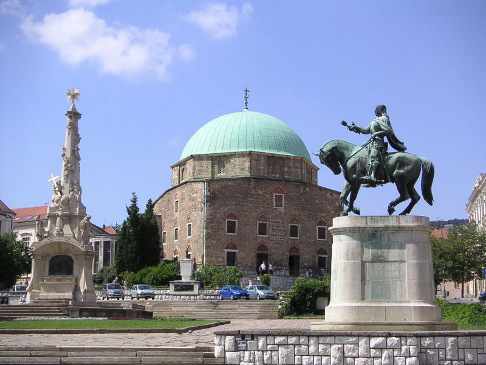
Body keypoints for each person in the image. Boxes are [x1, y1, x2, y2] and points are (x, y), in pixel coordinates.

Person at [344, 105, 406, 186]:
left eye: (377, 110)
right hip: (372, 143)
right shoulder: (375, 121)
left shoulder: (384, 119)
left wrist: (377, 133)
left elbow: (388, 130)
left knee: (373, 156)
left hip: (378, 143)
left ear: (380, 110)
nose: (375, 112)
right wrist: (355, 127)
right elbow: (366, 130)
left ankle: (372, 177)